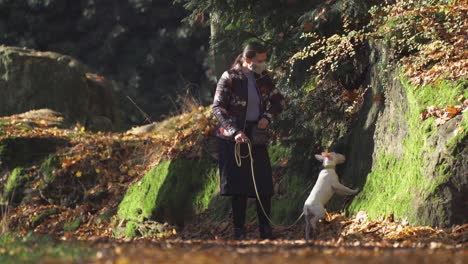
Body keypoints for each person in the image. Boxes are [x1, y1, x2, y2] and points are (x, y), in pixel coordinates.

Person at [212, 41, 285, 240]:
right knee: (238, 187)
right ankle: (239, 230)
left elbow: (278, 101)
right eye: (259, 60)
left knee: (264, 184)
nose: (263, 63)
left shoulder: (263, 78)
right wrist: (235, 131)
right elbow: (218, 107)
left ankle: (265, 229)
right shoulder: (229, 77)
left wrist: (266, 118)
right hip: (233, 139)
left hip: (257, 136)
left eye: (264, 60)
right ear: (247, 59)